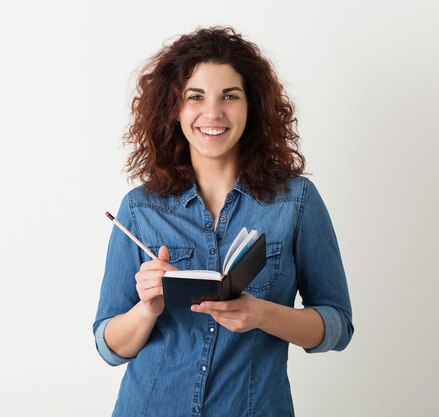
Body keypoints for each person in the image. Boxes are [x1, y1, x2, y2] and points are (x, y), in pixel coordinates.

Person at [94, 26, 353, 417]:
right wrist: (147, 308)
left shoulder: (296, 202)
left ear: (252, 106)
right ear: (174, 109)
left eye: (229, 96)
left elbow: (337, 326)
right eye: (195, 97)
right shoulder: (139, 209)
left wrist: (263, 315)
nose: (212, 113)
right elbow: (108, 347)